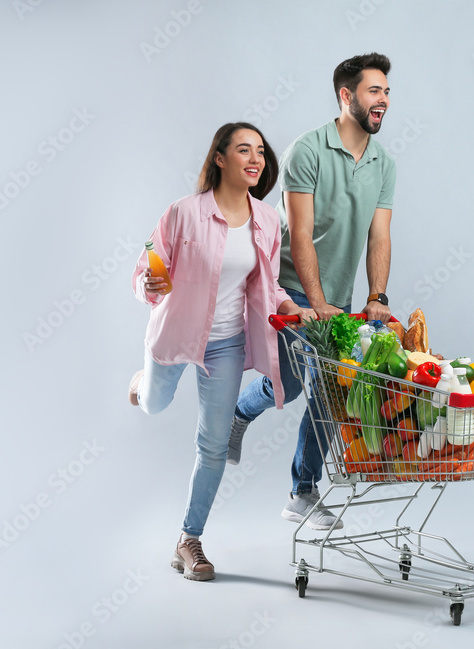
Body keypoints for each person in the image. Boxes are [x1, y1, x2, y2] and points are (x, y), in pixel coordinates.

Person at [128, 122, 315, 581]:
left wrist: (294, 308)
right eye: (243, 150)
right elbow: (146, 269)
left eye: (260, 152)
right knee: (153, 405)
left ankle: (189, 540)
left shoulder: (267, 220)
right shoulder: (183, 213)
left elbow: (268, 286)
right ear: (219, 158)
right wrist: (146, 284)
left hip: (227, 344)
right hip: (175, 335)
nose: (255, 159)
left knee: (213, 445)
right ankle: (141, 383)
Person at [228, 53, 397, 529]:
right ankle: (241, 415)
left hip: (337, 297)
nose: (383, 100)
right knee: (298, 382)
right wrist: (314, 302)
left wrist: (376, 296)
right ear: (347, 96)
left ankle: (302, 491)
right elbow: (298, 232)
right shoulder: (308, 150)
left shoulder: (385, 164)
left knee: (327, 390)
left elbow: (378, 235)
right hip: (290, 289)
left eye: (386, 92)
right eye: (374, 91)